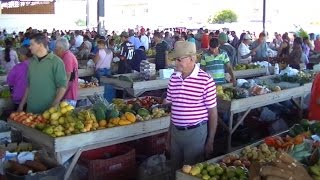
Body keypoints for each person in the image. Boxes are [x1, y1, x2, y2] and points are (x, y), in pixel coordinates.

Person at [165, 41, 218, 171]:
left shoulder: (206, 80)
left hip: (196, 134)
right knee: (175, 169)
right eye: (175, 60)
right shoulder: (173, 78)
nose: (176, 63)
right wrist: (169, 137)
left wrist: (210, 140)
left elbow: (213, 113)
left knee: (190, 172)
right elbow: (174, 110)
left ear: (192, 58)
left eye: (179, 60)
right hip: (176, 132)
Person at [18, 33, 67, 113]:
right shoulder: (31, 62)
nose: (29, 47)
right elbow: (29, 86)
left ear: (40, 45)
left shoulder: (56, 62)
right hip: (30, 111)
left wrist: (54, 105)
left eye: (32, 44)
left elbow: (62, 86)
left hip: (48, 111)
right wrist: (21, 104)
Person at [55, 38, 79, 106]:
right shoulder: (66, 55)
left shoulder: (67, 57)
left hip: (68, 96)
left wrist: (58, 98)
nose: (55, 51)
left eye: (56, 49)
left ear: (60, 48)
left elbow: (67, 78)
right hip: (66, 94)